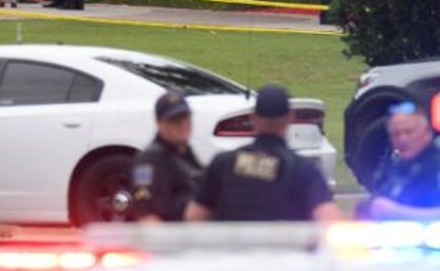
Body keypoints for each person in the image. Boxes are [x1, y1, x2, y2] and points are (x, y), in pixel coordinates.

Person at [186, 85, 339, 222]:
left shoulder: (223, 164)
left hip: (232, 252)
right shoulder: (304, 170)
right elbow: (328, 218)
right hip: (287, 252)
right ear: (289, 118)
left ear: (253, 118)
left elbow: (195, 216)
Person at [130, 91, 203, 222]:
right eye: (175, 120)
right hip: (173, 238)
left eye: (186, 118)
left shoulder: (184, 152)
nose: (184, 125)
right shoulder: (148, 161)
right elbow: (147, 216)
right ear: (159, 123)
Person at [361, 101, 440, 220]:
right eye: (396, 134)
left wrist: (400, 212)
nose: (402, 139)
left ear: (426, 132)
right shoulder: (392, 167)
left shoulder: (436, 164)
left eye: (408, 132)